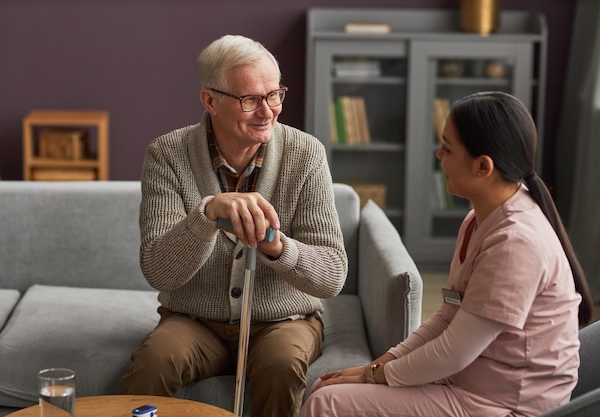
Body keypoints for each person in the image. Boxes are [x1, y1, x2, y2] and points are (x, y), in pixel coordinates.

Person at [298, 91, 594, 417]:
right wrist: (383, 363)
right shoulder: (478, 220)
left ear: (484, 166)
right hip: (468, 384)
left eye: (448, 148)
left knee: (328, 402)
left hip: (504, 406)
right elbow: (448, 318)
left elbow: (454, 352)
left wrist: (375, 376)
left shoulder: (516, 243)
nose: (439, 155)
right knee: (331, 390)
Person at [122, 34, 348, 417]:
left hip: (282, 321)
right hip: (195, 322)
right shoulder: (166, 154)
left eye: (274, 94)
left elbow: (332, 276)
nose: (268, 111)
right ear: (210, 100)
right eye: (250, 100)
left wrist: (276, 246)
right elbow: (159, 271)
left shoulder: (306, 154)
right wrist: (207, 214)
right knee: (154, 361)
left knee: (281, 366)